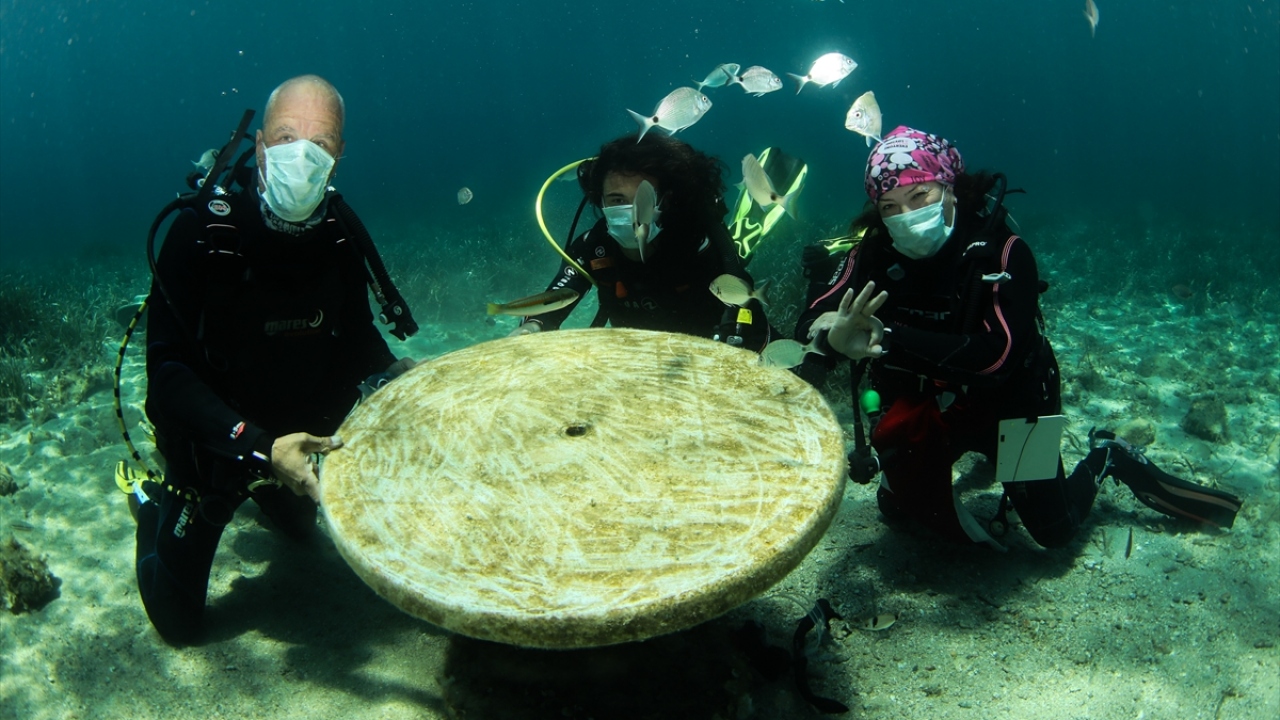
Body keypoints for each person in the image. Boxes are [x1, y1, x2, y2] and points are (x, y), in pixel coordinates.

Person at [795, 126, 1240, 548]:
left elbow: (997, 357)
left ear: (950, 187)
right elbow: (814, 317)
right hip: (925, 405)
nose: (906, 216)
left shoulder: (1002, 251)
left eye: (919, 195)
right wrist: (832, 337)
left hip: (1013, 403)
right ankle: (963, 457)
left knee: (1054, 532)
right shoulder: (871, 253)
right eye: (890, 206)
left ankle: (1108, 456)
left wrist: (887, 337)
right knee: (899, 513)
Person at [136, 75, 414, 643]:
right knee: (179, 626)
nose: (302, 156)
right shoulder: (199, 233)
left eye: (322, 143)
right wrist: (259, 446)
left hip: (299, 442)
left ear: (339, 157)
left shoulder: (340, 239)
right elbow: (166, 376)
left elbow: (360, 340)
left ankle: (268, 491)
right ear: (260, 147)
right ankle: (152, 506)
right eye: (287, 137)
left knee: (303, 537)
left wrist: (396, 376)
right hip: (217, 448)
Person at [510, 133, 771, 350]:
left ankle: (747, 226)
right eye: (616, 200)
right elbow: (556, 297)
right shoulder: (594, 246)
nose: (630, 211)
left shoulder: (694, 242)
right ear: (599, 201)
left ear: (664, 201)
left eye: (642, 199)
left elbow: (745, 304)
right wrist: (533, 326)